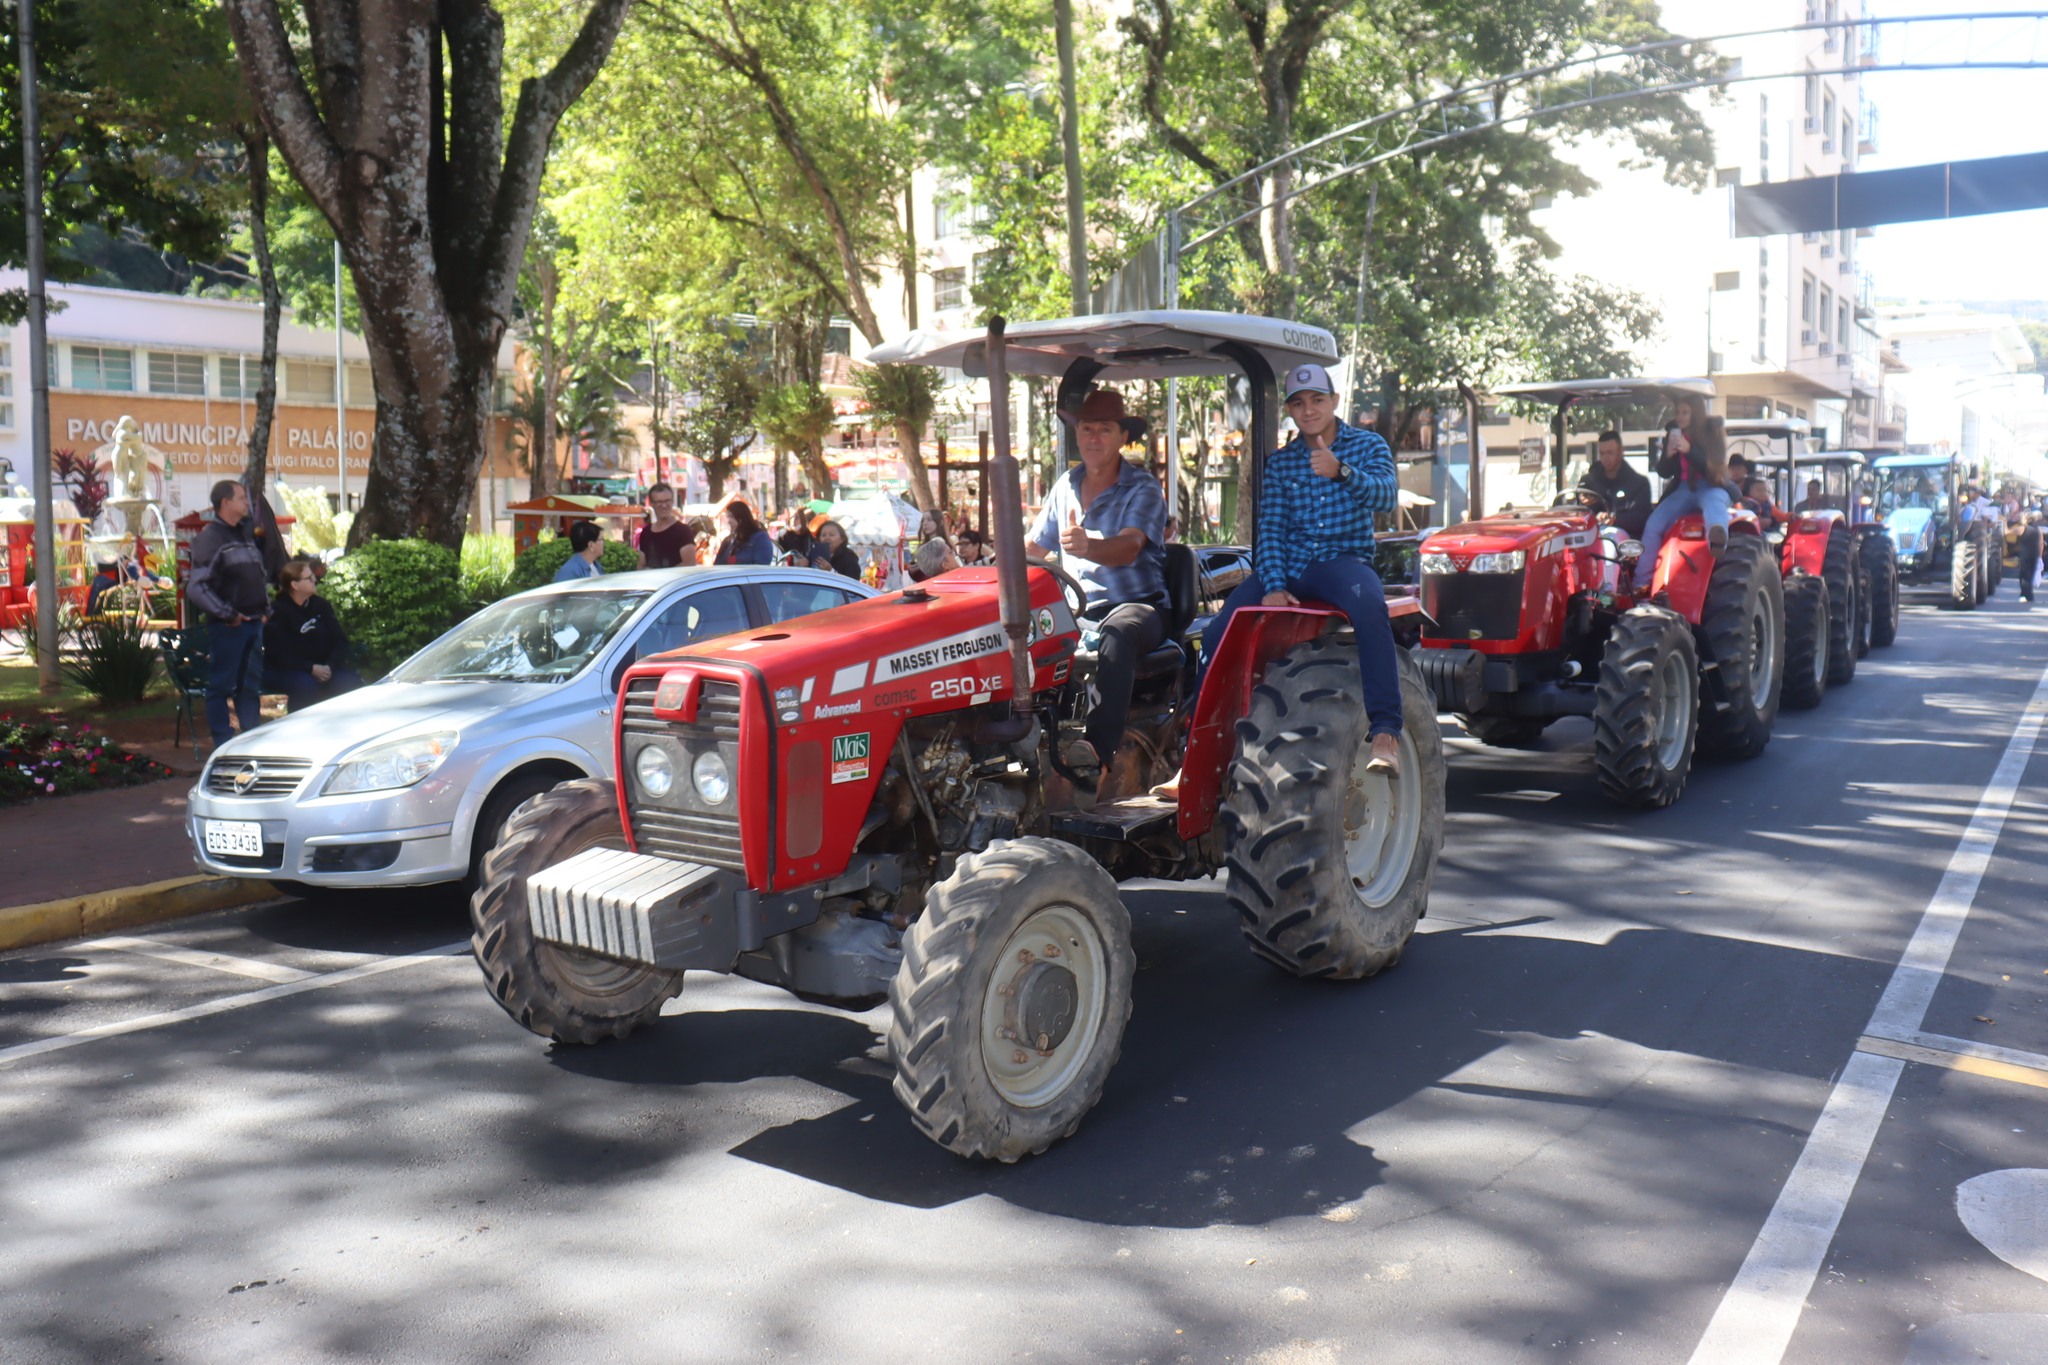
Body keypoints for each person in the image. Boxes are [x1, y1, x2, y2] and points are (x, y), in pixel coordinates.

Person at [1158, 362, 1404, 794]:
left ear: (1334, 402)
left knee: (1369, 607)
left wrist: (1341, 471)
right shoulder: (1282, 463)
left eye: (1317, 400)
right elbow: (1269, 529)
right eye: (1299, 403)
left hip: (1339, 562)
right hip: (1289, 565)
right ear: (1290, 410)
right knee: (1215, 635)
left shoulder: (1367, 446)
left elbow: (1385, 494)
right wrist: (1272, 584)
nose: (1308, 410)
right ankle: (1191, 762)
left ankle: (1385, 732)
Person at [1026, 387, 1170, 789]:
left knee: (1118, 632)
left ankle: (1097, 754)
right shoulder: (1065, 486)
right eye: (1086, 428)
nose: (1093, 438)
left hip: (1138, 607)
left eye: (1104, 429)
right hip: (1077, 612)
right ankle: (1018, 742)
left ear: (1123, 436)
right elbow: (1033, 550)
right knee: (1016, 629)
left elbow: (1129, 547)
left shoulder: (1141, 488)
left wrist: (1090, 545)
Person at [186, 479, 272, 747]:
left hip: (254, 624)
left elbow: (259, 576)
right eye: (241, 498)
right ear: (226, 503)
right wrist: (228, 615)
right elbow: (196, 587)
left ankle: (250, 740)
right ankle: (223, 742)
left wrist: (265, 609)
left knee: (249, 687)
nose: (247, 503)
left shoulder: (244, 535)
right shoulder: (209, 539)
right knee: (221, 687)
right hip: (229, 628)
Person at [1635, 399, 1730, 591]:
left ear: (1696, 415)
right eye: (1678, 412)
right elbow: (1664, 472)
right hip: (1684, 488)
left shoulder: (1712, 433)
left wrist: (1689, 450)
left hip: (1710, 485)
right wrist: (1669, 455)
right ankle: (1641, 583)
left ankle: (1718, 537)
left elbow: (1715, 468)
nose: (1680, 417)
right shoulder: (1674, 434)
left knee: (1715, 505)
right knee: (1654, 524)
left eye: (1685, 412)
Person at [264, 556, 361, 711]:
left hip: (325, 667)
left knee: (350, 681)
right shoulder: (278, 611)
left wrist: (330, 665)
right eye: (309, 578)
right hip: (291, 670)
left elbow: (340, 641)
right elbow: (278, 654)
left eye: (313, 577)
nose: (314, 580)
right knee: (306, 686)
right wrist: (310, 668)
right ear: (294, 585)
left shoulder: (321, 605)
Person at [1576, 430, 1653, 540]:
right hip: (1590, 538)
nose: (1605, 458)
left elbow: (1640, 518)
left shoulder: (1639, 483)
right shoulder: (1588, 481)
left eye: (1610, 453)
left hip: (1624, 545)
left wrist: (1614, 519)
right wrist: (1583, 502)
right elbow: (1577, 513)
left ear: (1621, 451)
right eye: (1602, 453)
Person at [637, 482, 690, 569]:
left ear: (672, 501)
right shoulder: (646, 533)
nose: (664, 505)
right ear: (651, 504)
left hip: (676, 582)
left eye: (667, 501)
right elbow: (641, 565)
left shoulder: (683, 531)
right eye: (659, 502)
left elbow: (689, 564)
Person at [2018, 512, 2042, 604]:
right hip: (2035, 554)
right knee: (2030, 575)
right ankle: (2029, 595)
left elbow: (2007, 532)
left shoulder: (2023, 528)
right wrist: (2039, 556)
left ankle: (2025, 594)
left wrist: (2003, 524)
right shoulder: (2038, 529)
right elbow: (2041, 544)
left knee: (2024, 575)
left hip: (2025, 554)